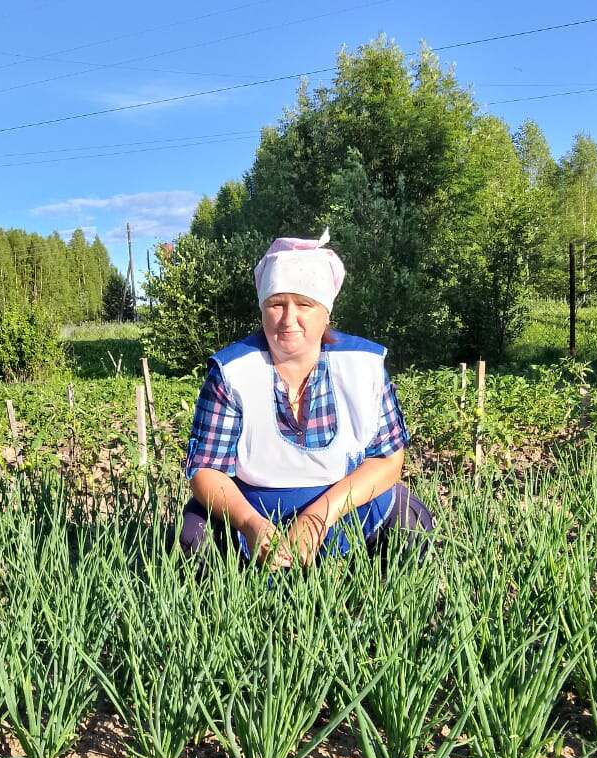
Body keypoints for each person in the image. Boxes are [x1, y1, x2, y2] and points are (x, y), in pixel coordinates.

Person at [178, 230, 433, 567]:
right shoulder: (232, 373)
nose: (288, 319)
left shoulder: (363, 366)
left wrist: (317, 518)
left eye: (304, 304)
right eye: (276, 304)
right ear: (262, 309)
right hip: (253, 508)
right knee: (193, 536)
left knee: (409, 520)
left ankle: (365, 586)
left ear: (326, 312)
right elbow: (205, 471)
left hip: (342, 503)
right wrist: (250, 523)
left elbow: (387, 461)